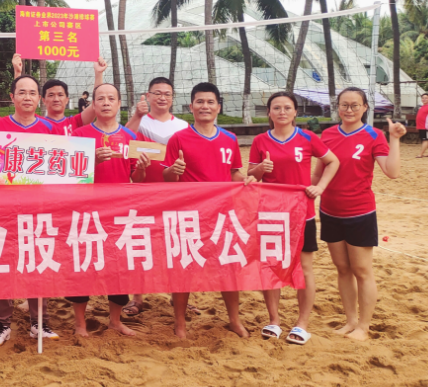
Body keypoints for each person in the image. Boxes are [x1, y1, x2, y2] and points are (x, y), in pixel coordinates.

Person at [162, 82, 255, 339]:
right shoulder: (178, 138)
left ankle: (234, 320)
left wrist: (247, 179)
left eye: (210, 102)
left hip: (222, 215)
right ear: (191, 106)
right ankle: (180, 323)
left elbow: (234, 173)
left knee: (228, 267)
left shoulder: (229, 139)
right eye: (200, 102)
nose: (205, 106)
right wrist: (173, 171)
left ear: (218, 107)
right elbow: (167, 178)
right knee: (184, 269)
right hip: (189, 215)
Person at [0, 75, 61, 346]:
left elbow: (60, 168)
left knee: (38, 263)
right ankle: (2, 325)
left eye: (32, 93)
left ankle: (39, 323)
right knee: (3, 264)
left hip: (38, 208)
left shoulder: (48, 128)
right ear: (12, 97)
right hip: (4, 208)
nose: (27, 97)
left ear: (39, 98)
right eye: (22, 92)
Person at [247, 92, 340, 345]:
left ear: (295, 112)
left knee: (305, 267)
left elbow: (332, 161)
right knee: (271, 265)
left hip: (302, 213)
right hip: (271, 213)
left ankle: (302, 324)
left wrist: (319, 187)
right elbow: (250, 176)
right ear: (269, 112)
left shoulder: (307, 137)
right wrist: (260, 169)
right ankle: (274, 320)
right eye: (276, 108)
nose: (282, 112)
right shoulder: (260, 140)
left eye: (287, 107)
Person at [317, 87, 404, 341]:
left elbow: (392, 172)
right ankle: (351, 322)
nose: (349, 110)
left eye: (355, 105)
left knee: (362, 271)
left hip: (360, 212)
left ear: (365, 107)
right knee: (343, 269)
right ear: (338, 107)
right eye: (344, 105)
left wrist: (395, 139)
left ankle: (364, 327)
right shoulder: (327, 135)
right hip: (330, 211)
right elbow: (318, 173)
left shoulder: (374, 135)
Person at [68, 83, 150, 337]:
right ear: (93, 104)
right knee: (83, 266)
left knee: (119, 268)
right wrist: (91, 162)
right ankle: (80, 323)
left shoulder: (129, 137)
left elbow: (137, 178)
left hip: (119, 212)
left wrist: (142, 168)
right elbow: (69, 175)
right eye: (100, 98)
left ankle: (115, 320)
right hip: (86, 211)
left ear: (119, 104)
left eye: (111, 98)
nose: (105, 102)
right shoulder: (79, 136)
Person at [123, 77, 190, 316]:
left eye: (167, 94)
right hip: (144, 192)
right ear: (148, 96)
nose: (162, 97)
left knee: (176, 245)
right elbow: (124, 137)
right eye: (157, 93)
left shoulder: (183, 126)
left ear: (173, 98)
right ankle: (137, 297)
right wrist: (137, 115)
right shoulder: (139, 122)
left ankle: (178, 295)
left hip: (175, 193)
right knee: (141, 244)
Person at [11, 53, 107, 135]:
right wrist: (17, 72)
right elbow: (20, 107)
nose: (56, 99)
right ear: (43, 100)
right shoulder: (36, 123)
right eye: (51, 95)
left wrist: (98, 73)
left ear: (67, 99)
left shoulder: (75, 122)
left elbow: (95, 105)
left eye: (60, 95)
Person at [416, 93, 428, 158]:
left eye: (426, 98)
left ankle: (420, 154)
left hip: (426, 126)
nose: (424, 99)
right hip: (421, 126)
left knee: (425, 140)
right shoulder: (422, 107)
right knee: (427, 140)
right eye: (423, 98)